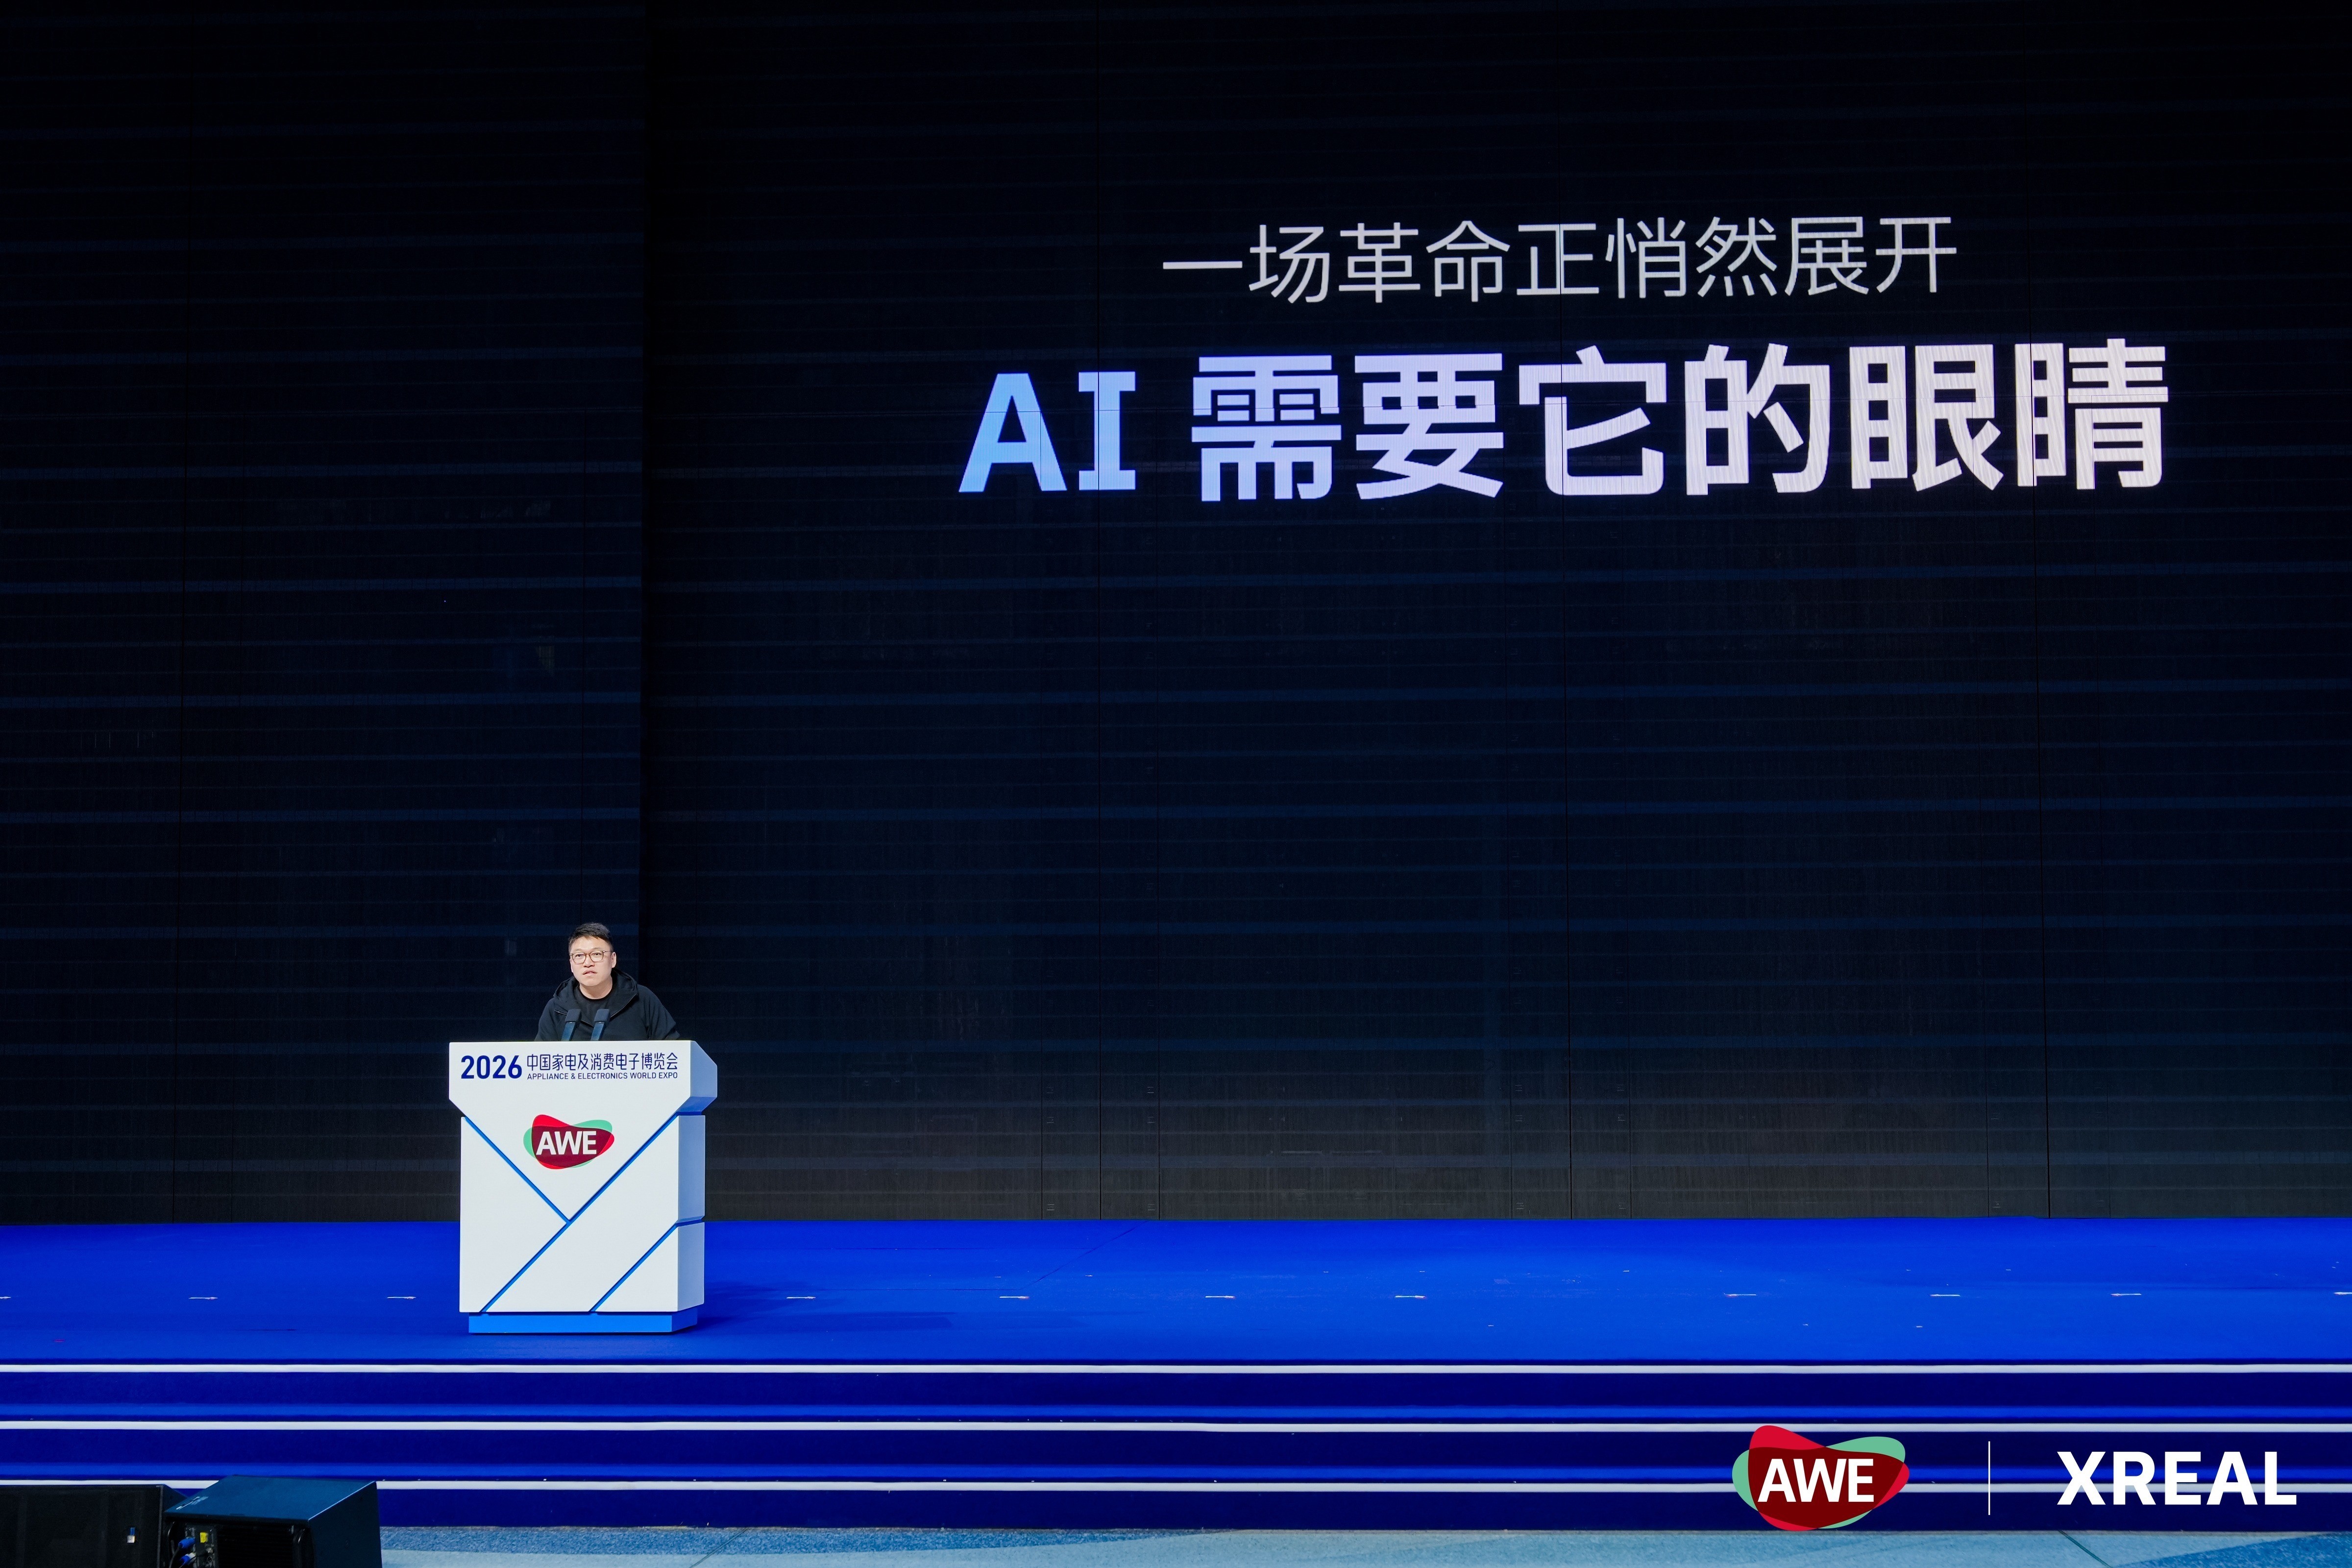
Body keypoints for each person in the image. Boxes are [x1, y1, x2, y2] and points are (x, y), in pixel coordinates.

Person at [534, 922, 683, 1042]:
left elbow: (674, 1053)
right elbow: (541, 1061)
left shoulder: (643, 999)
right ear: (571, 964)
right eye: (579, 956)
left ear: (613, 960)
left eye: (596, 954)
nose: (588, 963)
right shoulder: (557, 1008)